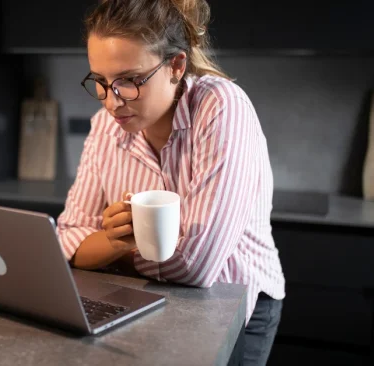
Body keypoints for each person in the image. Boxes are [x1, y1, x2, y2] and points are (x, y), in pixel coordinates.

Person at [56, 0, 285, 364]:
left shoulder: (222, 107)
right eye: (101, 82)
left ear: (176, 65)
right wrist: (118, 241)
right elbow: (68, 240)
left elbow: (197, 266)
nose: (112, 102)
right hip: (147, 299)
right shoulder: (105, 127)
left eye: (129, 81)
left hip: (235, 304)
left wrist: (115, 254)